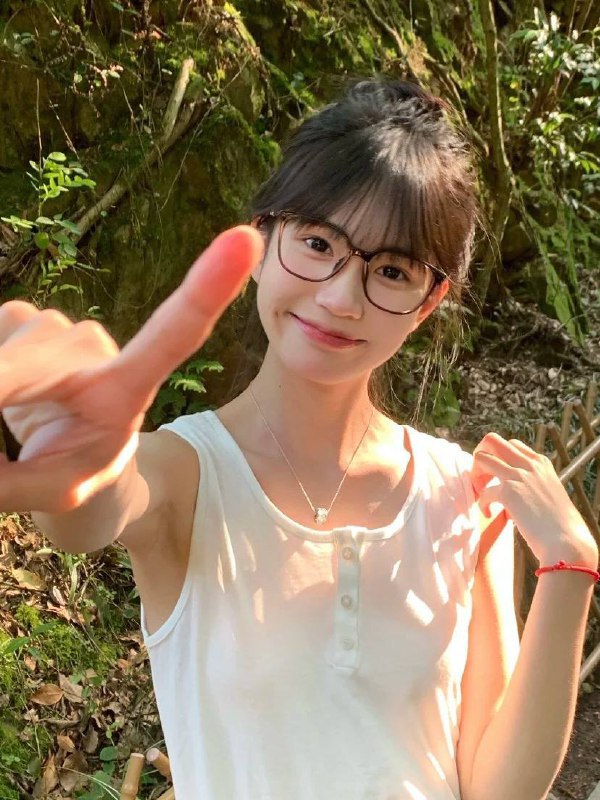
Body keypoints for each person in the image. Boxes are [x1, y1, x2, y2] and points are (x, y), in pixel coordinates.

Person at [0, 78, 597, 800]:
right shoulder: (187, 472)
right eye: (318, 243)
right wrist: (71, 457)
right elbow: (94, 508)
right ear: (263, 240)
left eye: (392, 270)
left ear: (429, 301)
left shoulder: (464, 497)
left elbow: (499, 788)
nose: (341, 298)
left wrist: (570, 566)